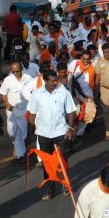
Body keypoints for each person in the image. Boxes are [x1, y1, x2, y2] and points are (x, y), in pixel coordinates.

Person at [27, 70, 77, 200]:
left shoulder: (64, 93)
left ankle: (65, 184)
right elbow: (32, 114)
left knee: (61, 161)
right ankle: (50, 190)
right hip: (43, 134)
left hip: (60, 132)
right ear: (45, 80)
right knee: (47, 163)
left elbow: (71, 111)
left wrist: (70, 128)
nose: (56, 83)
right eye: (52, 81)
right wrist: (30, 134)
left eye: (56, 80)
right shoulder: (37, 94)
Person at [0, 62, 32, 163]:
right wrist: (6, 103)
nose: (15, 73)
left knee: (21, 132)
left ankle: (20, 154)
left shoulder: (29, 78)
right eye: (13, 72)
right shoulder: (8, 79)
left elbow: (33, 92)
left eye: (17, 71)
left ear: (21, 69)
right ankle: (17, 147)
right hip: (12, 110)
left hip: (25, 109)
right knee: (12, 132)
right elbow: (3, 94)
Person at [68, 50, 98, 139]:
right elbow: (68, 75)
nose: (85, 61)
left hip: (87, 95)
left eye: (88, 59)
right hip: (74, 95)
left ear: (90, 59)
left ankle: (79, 135)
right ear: (81, 58)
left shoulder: (93, 67)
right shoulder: (74, 63)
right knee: (75, 115)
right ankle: (72, 133)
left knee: (86, 116)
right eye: (84, 59)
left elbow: (96, 78)